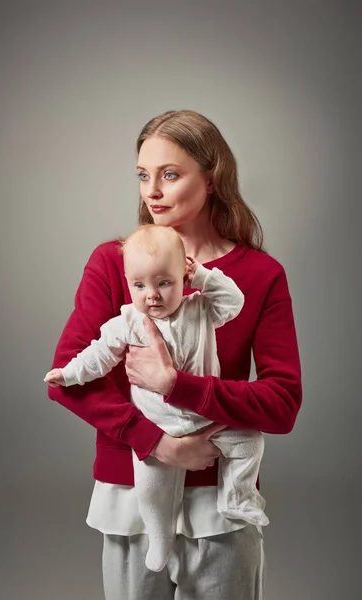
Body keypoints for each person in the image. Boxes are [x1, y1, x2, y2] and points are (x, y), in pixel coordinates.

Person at [47, 109, 302, 600]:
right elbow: (69, 378)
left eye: (170, 174)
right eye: (143, 175)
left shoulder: (258, 275)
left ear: (211, 178)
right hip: (131, 492)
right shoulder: (114, 263)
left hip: (221, 500)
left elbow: (283, 403)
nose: (152, 191)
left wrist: (176, 386)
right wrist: (158, 444)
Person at [44, 224, 269, 573]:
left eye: (164, 283)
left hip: (206, 418)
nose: (152, 295)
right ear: (128, 281)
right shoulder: (128, 320)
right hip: (156, 425)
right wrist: (69, 374)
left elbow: (234, 301)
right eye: (140, 285)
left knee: (250, 441)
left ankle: (237, 498)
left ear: (184, 276)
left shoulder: (200, 308)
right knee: (150, 489)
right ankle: (160, 535)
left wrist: (205, 277)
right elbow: (98, 355)